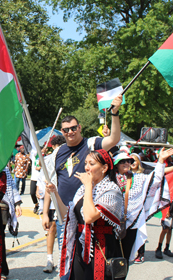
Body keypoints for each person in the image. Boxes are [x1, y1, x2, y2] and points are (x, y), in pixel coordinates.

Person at [42, 95, 122, 254]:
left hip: (87, 213)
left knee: (88, 260)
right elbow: (50, 185)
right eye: (66, 130)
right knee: (67, 261)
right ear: (62, 132)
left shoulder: (92, 144)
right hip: (64, 215)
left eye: (73, 128)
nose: (70, 132)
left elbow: (113, 139)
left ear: (79, 128)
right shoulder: (57, 153)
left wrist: (114, 114)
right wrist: (45, 213)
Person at [47, 149, 124, 279]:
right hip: (81, 245)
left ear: (104, 168)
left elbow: (89, 217)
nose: (87, 168)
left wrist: (89, 186)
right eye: (86, 163)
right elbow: (69, 215)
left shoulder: (112, 190)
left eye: (92, 164)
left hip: (101, 247)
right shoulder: (83, 189)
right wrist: (55, 193)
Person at [114, 148, 173, 261]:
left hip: (131, 224)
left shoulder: (138, 178)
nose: (127, 163)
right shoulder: (109, 179)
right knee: (111, 257)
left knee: (124, 258)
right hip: (111, 225)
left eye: (129, 161)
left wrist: (161, 161)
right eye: (123, 161)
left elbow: (156, 179)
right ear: (116, 164)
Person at [39, 135, 66, 273]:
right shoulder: (49, 159)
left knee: (62, 234)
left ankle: (65, 262)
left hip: (65, 206)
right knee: (51, 229)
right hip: (50, 203)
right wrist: (44, 213)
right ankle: (50, 259)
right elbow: (46, 183)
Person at [155, 190, 173, 259]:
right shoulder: (167, 185)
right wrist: (166, 210)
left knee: (170, 230)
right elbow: (163, 199)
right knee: (165, 229)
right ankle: (159, 248)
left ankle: (167, 248)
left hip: (172, 207)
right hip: (166, 208)